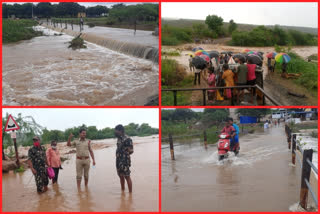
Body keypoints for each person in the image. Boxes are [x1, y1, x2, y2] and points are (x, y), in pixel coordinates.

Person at [115, 125, 134, 193]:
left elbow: (131, 151)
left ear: (120, 131)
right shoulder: (119, 138)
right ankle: (122, 191)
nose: (115, 132)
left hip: (125, 161)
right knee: (120, 176)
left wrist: (124, 154)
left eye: (116, 131)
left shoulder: (128, 139)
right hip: (118, 160)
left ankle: (130, 194)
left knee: (127, 176)